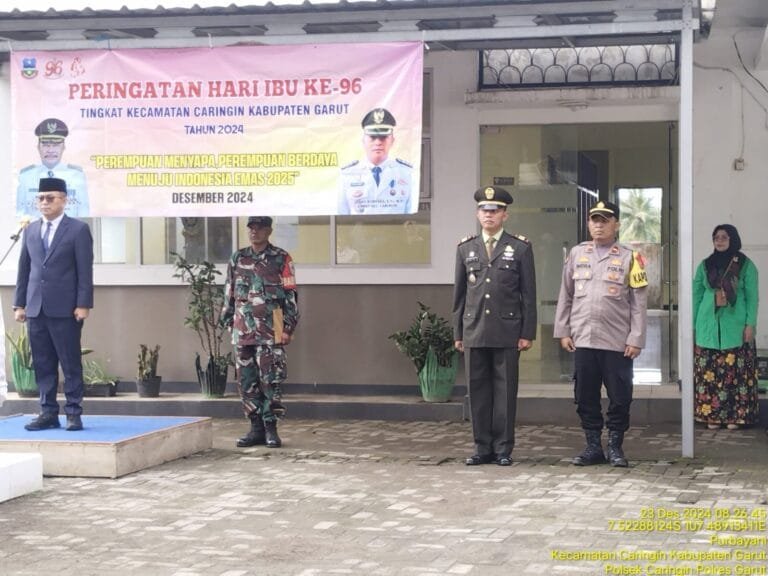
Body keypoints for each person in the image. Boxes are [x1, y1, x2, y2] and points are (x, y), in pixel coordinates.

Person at [554, 201, 648, 467]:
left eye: (605, 220)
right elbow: (566, 295)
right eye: (594, 219)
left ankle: (616, 447)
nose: (599, 224)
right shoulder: (576, 254)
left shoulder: (631, 257)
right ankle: (593, 446)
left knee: (620, 396)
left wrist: (636, 338)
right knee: (585, 395)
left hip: (617, 341)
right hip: (583, 338)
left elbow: (639, 303)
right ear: (588, 223)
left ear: (616, 224)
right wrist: (563, 330)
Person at [452, 185, 537, 466]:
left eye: (495, 210)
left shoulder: (520, 248)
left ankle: (502, 448)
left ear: (505, 215)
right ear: (478, 214)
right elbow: (460, 295)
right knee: (477, 391)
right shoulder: (466, 248)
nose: (489, 215)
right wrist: (458, 333)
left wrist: (527, 332)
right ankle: (481, 447)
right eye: (484, 210)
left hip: (507, 331)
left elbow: (528, 294)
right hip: (474, 329)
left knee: (504, 392)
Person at [14, 177, 94, 432]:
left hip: (66, 309)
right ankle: (48, 412)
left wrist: (83, 304)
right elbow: (24, 270)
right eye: (40, 198)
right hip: (36, 308)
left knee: (69, 362)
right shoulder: (31, 230)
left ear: (64, 200)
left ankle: (73, 412)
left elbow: (85, 271)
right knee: (43, 363)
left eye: (50, 198)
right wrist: (19, 304)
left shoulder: (78, 230)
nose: (44, 203)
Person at [221, 216, 299, 449]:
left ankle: (271, 428)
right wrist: (228, 321)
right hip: (242, 329)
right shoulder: (238, 257)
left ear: (269, 230)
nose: (254, 232)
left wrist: (288, 327)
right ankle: (255, 428)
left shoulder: (281, 258)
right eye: (251, 228)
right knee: (246, 381)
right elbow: (229, 291)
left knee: (270, 380)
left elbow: (291, 295)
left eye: (259, 228)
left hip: (270, 329)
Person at [693, 224, 759, 430]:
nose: (719, 241)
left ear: (734, 240)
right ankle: (712, 416)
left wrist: (750, 324)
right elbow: (696, 295)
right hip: (708, 326)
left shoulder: (746, 265)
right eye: (716, 237)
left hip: (735, 327)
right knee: (708, 374)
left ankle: (735, 417)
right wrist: (694, 325)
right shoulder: (705, 265)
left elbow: (752, 297)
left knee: (736, 375)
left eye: (724, 237)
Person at [338, 107, 414, 215]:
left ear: (392, 140)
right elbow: (341, 214)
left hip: (395, 230)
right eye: (372, 137)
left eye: (383, 138)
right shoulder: (348, 173)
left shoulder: (406, 173)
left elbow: (409, 212)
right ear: (363, 140)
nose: (378, 142)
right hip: (359, 231)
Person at [16, 118, 89, 217]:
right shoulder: (26, 176)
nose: (50, 150)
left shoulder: (76, 175)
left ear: (63, 147)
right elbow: (20, 213)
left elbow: (83, 212)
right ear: (38, 147)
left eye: (56, 145)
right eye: (46, 145)